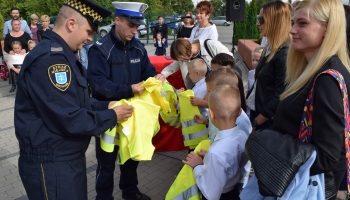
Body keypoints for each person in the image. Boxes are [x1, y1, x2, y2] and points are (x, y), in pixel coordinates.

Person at [14, 0, 134, 199]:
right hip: (52, 164)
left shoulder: (63, 56)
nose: (89, 38)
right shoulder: (51, 60)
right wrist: (112, 116)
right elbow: (70, 118)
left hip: (64, 160)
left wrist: (107, 105)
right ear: (71, 24)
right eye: (88, 31)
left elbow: (76, 102)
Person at [272, 0, 350, 199]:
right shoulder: (312, 71)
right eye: (293, 23)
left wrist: (269, 146)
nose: (292, 30)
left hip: (303, 189)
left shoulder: (326, 80)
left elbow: (329, 157)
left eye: (302, 23)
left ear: (327, 28)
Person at [87, 2, 164, 200]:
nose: (134, 30)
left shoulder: (138, 47)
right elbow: (97, 84)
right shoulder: (100, 49)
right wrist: (128, 89)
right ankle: (103, 197)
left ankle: (130, 192)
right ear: (117, 20)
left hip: (132, 115)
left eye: (137, 26)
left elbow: (148, 72)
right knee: (106, 164)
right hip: (109, 115)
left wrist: (156, 77)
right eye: (131, 25)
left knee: (131, 159)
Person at [184, 84, 249, 200]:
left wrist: (197, 166)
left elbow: (210, 194)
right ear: (239, 112)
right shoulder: (243, 136)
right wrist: (209, 156)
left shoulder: (216, 153)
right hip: (233, 193)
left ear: (212, 114)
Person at [246, 1, 291, 131]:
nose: (257, 23)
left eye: (261, 20)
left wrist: (256, 122)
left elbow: (280, 95)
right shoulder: (270, 47)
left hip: (267, 121)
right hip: (259, 115)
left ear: (274, 21)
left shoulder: (284, 53)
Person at [159, 38, 232, 89]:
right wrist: (162, 75)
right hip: (200, 91)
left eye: (182, 58)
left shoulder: (211, 45)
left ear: (186, 51)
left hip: (220, 86)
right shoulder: (183, 56)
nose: (182, 60)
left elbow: (230, 59)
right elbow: (171, 68)